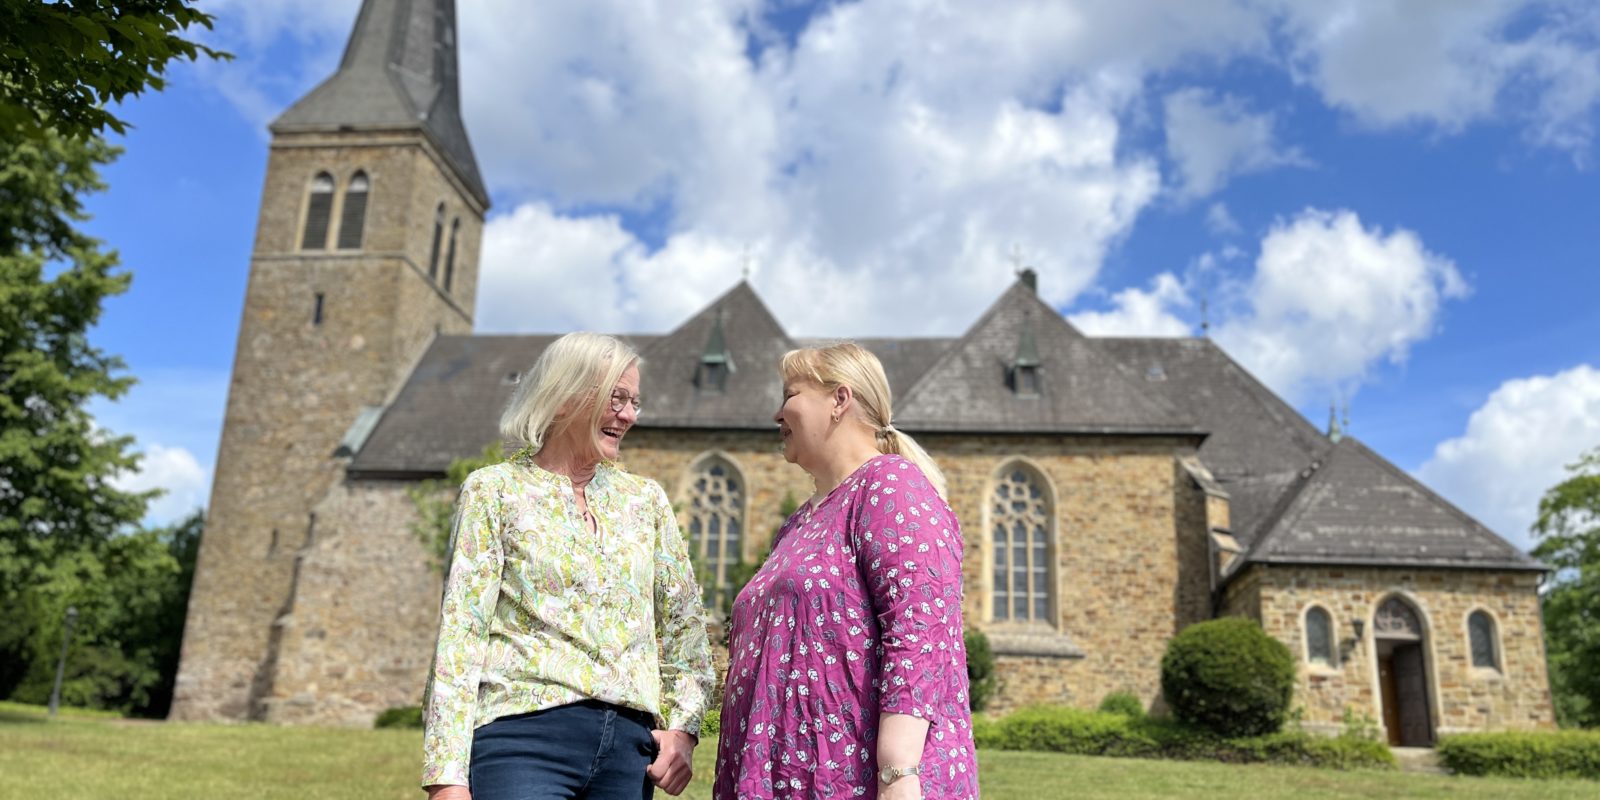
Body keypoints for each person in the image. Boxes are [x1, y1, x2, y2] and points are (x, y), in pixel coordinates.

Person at [422, 332, 715, 800]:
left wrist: (683, 729)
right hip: (520, 740)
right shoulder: (493, 491)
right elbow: (460, 636)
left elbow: (685, 628)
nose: (629, 414)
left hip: (628, 752)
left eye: (634, 401)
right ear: (561, 400)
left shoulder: (647, 502)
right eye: (615, 398)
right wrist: (446, 777)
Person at [714, 343, 979, 799]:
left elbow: (919, 631)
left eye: (790, 395)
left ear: (840, 399)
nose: (778, 414)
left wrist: (898, 772)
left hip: (856, 783)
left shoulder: (889, 485)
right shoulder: (800, 522)